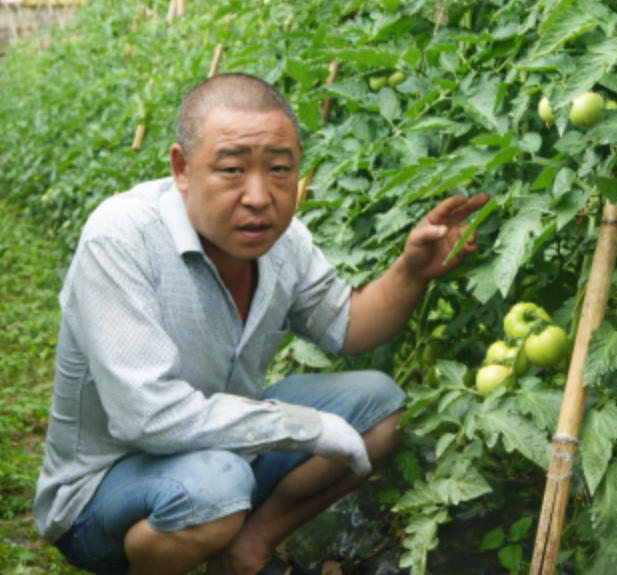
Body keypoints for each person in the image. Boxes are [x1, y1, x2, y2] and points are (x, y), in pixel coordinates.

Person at [33, 73, 488, 575]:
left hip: (218, 457)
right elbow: (148, 416)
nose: (258, 196)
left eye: (278, 169)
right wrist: (304, 426)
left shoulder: (284, 241)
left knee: (380, 407)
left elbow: (349, 325)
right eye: (231, 169)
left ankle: (245, 551)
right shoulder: (121, 238)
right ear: (182, 168)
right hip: (101, 495)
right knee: (216, 485)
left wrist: (411, 270)